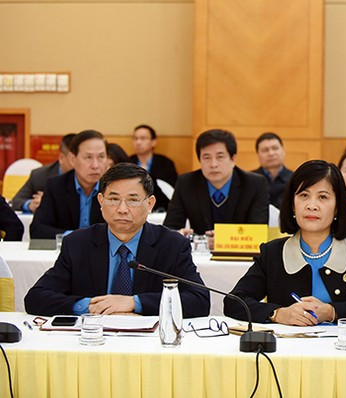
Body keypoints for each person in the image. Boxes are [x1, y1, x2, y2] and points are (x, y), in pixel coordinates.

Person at [25, 163, 209, 317]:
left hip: (148, 345)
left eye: (133, 200)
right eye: (113, 199)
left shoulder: (172, 245)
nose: (122, 209)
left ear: (150, 204)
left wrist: (134, 303)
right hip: (91, 341)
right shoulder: (77, 244)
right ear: (100, 201)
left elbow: (199, 300)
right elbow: (36, 298)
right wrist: (88, 306)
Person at [224, 160, 346, 324]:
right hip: (288, 351)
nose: (312, 205)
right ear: (292, 204)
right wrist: (278, 314)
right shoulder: (273, 253)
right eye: (304, 195)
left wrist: (332, 312)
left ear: (337, 206)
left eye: (323, 197)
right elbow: (233, 302)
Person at [164, 129, 269, 238]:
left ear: (233, 159)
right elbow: (170, 227)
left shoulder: (255, 184)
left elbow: (258, 231)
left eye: (220, 157)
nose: (213, 164)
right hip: (200, 253)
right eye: (207, 157)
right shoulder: (186, 183)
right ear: (199, 160)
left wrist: (223, 240)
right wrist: (178, 235)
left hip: (240, 253)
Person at [29, 130, 108, 239]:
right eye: (88, 157)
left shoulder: (112, 187)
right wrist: (73, 237)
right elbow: (37, 229)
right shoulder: (56, 186)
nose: (95, 165)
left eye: (101, 157)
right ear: (72, 159)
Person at [11, 133, 75, 213]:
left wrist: (49, 201)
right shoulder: (40, 175)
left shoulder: (90, 176)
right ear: (61, 158)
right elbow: (16, 201)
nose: (79, 164)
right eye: (73, 159)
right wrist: (31, 204)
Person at [130, 124, 178, 211]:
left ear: (154, 141)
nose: (138, 142)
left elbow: (172, 189)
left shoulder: (165, 163)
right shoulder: (127, 162)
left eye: (143, 138)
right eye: (135, 138)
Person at [251, 132, 293, 209]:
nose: (271, 153)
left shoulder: (294, 178)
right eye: (265, 150)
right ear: (258, 154)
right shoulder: (249, 180)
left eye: (275, 148)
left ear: (283, 151)